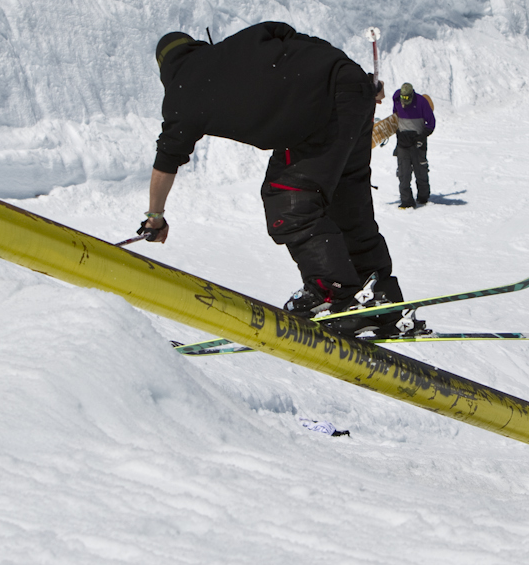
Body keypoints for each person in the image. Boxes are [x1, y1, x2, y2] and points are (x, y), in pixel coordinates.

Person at [140, 23, 424, 337]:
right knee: (346, 198)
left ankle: (333, 294)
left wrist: (155, 217)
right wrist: (357, 80)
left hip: (316, 113)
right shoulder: (241, 42)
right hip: (350, 85)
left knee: (289, 198)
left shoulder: (181, 94)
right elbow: (295, 36)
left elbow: (165, 163)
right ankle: (379, 295)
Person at [392, 82, 436, 208]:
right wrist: (398, 133)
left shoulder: (422, 102)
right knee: (403, 173)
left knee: (420, 171)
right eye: (403, 98)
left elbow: (431, 123)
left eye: (407, 98)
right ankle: (406, 201)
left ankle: (423, 197)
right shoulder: (396, 99)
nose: (405, 101)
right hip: (403, 143)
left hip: (418, 143)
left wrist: (422, 136)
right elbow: (395, 117)